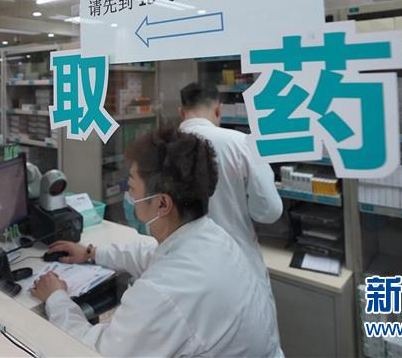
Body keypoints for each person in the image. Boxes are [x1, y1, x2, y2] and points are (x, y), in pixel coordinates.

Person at [32, 127, 282, 357]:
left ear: (162, 203)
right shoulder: (213, 238)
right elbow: (152, 254)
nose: (128, 196)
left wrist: (56, 298)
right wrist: (92, 252)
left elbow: (95, 351)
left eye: (131, 188)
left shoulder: (164, 293)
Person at [178, 82, 282, 282]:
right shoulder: (241, 143)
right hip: (235, 262)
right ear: (219, 110)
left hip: (184, 263)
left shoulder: (162, 147)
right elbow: (270, 210)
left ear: (181, 112)